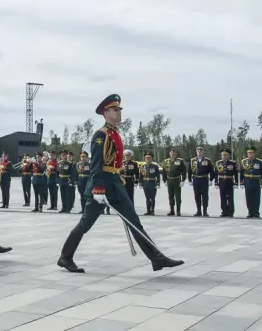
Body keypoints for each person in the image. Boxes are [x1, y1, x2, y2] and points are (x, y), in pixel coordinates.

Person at [57, 94, 183, 274]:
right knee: (85, 223)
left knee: (134, 222)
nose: (119, 113)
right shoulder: (101, 135)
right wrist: (98, 188)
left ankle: (157, 258)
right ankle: (65, 257)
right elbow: (96, 164)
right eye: (115, 110)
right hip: (102, 186)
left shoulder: (114, 133)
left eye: (119, 110)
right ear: (106, 113)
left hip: (116, 183)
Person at [188, 146, 215, 216]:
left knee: (205, 196)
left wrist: (211, 179)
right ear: (196, 152)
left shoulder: (207, 160)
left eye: (201, 151)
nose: (199, 152)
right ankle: (198, 211)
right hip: (196, 179)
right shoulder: (192, 161)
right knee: (197, 196)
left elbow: (212, 171)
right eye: (198, 151)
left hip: (204, 179)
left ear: (203, 152)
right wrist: (190, 180)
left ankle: (205, 211)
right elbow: (189, 171)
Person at [241, 146, 262, 218]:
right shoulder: (244, 161)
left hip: (256, 181)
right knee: (248, 197)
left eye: (251, 153)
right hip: (247, 181)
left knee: (256, 197)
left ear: (254, 153)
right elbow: (241, 172)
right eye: (248, 153)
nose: (250, 154)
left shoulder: (259, 162)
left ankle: (256, 212)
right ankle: (250, 212)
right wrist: (241, 182)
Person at [161, 149, 186, 216]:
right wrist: (164, 180)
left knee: (177, 196)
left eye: (174, 153)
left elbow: (183, 171)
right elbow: (164, 171)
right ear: (169, 154)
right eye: (171, 153)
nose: (172, 154)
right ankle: (172, 210)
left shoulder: (180, 161)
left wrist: (183, 180)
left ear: (176, 154)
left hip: (177, 180)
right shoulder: (166, 161)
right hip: (169, 180)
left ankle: (178, 211)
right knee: (170, 196)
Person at [215, 148, 238, 217]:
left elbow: (235, 173)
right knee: (222, 197)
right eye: (223, 155)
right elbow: (215, 174)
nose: (224, 156)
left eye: (226, 155)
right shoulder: (218, 163)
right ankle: (224, 211)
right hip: (221, 181)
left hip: (229, 181)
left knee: (230, 197)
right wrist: (216, 182)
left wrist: (236, 183)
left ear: (229, 156)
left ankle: (230, 211)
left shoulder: (233, 163)